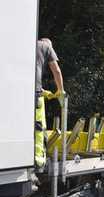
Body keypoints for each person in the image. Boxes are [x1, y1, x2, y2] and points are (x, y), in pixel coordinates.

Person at [35, 38, 64, 168]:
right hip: (34, 95)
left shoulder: (29, 43)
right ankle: (38, 161)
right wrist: (60, 91)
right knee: (38, 127)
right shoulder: (46, 46)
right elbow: (56, 70)